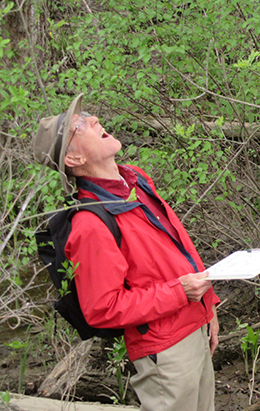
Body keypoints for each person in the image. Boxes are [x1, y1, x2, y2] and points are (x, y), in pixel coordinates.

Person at [33, 94, 220, 411]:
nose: (92, 120)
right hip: (164, 351)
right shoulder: (89, 224)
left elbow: (179, 243)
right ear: (74, 160)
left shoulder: (135, 178)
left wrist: (208, 305)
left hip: (196, 326)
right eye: (79, 126)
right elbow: (102, 308)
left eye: (88, 115)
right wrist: (181, 292)